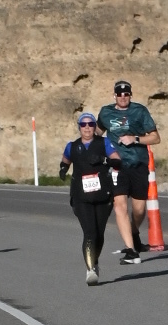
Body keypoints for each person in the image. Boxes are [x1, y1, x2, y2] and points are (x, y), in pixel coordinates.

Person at [96, 78, 158, 260]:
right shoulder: (106, 112)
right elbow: (97, 133)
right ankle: (130, 250)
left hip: (138, 164)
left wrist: (135, 139)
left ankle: (134, 232)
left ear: (130, 95)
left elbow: (155, 137)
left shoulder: (140, 111)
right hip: (117, 167)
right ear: (114, 95)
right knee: (120, 206)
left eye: (126, 94)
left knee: (139, 210)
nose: (122, 97)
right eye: (119, 94)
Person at [61, 111, 119, 282]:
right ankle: (90, 269)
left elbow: (117, 161)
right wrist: (63, 169)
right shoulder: (72, 146)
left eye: (91, 124)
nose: (87, 128)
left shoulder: (104, 143)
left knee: (99, 234)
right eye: (83, 125)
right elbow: (65, 160)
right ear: (79, 127)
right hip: (81, 195)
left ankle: (94, 260)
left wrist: (103, 160)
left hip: (102, 194)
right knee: (89, 232)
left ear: (95, 127)